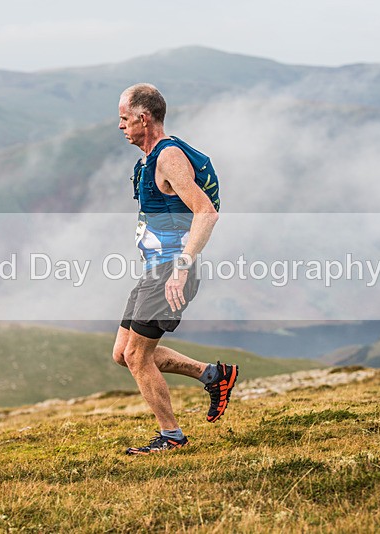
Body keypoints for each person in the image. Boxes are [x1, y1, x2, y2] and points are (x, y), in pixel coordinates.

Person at [113, 83, 238, 455]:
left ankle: (172, 436)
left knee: (138, 356)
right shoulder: (150, 159)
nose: (120, 126)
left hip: (170, 271)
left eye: (123, 118)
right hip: (155, 270)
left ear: (143, 117)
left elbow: (206, 212)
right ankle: (212, 375)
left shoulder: (168, 157)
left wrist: (182, 268)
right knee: (124, 353)